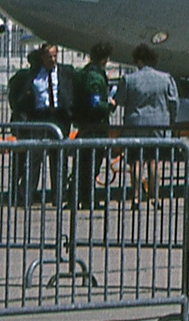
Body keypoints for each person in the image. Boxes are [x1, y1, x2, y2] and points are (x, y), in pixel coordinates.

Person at [9, 43, 77, 203]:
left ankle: (59, 194)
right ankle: (27, 193)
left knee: (59, 159)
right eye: (49, 56)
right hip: (39, 118)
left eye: (55, 56)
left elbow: (73, 91)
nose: (52, 60)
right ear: (42, 57)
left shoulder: (66, 72)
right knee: (34, 158)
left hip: (58, 118)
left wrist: (70, 111)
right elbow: (18, 95)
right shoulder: (32, 75)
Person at [117, 43, 178, 201]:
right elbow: (174, 102)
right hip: (159, 123)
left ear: (138, 60)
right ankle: (154, 195)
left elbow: (120, 100)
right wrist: (171, 119)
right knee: (154, 160)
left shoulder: (129, 79)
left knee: (136, 161)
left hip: (135, 124)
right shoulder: (166, 78)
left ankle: (136, 195)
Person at [73, 43, 115, 205]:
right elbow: (95, 104)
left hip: (85, 124)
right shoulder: (95, 77)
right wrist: (109, 105)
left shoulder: (85, 72)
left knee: (83, 164)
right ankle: (87, 197)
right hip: (95, 125)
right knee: (91, 164)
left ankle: (78, 195)